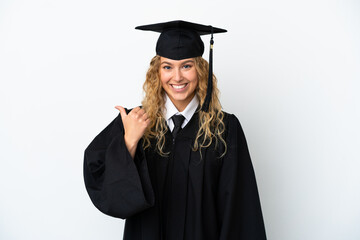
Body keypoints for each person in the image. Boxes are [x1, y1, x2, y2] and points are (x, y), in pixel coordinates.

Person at [83, 20, 267, 240]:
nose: (177, 77)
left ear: (200, 70)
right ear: (157, 72)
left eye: (187, 66)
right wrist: (129, 142)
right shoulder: (134, 121)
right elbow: (108, 192)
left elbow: (240, 209)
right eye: (167, 67)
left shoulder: (224, 128)